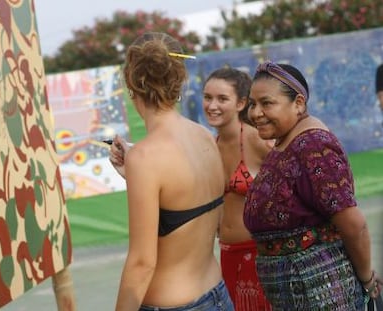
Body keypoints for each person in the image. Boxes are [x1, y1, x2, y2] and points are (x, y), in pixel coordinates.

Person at [109, 32, 234, 310]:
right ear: (178, 80)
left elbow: (141, 264)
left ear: (133, 85)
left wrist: (140, 168)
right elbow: (206, 218)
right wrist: (137, 175)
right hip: (217, 294)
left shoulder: (145, 158)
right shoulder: (204, 136)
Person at [243, 60, 382, 310]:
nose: (255, 113)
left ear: (298, 103)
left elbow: (354, 224)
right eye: (252, 104)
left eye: (267, 103)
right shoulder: (286, 141)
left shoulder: (313, 146)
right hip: (295, 290)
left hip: (317, 289)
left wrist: (367, 280)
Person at [202, 67, 272, 310]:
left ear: (241, 102)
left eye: (222, 99)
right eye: (207, 97)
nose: (212, 105)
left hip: (261, 256)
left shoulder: (257, 140)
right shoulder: (209, 146)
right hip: (227, 256)